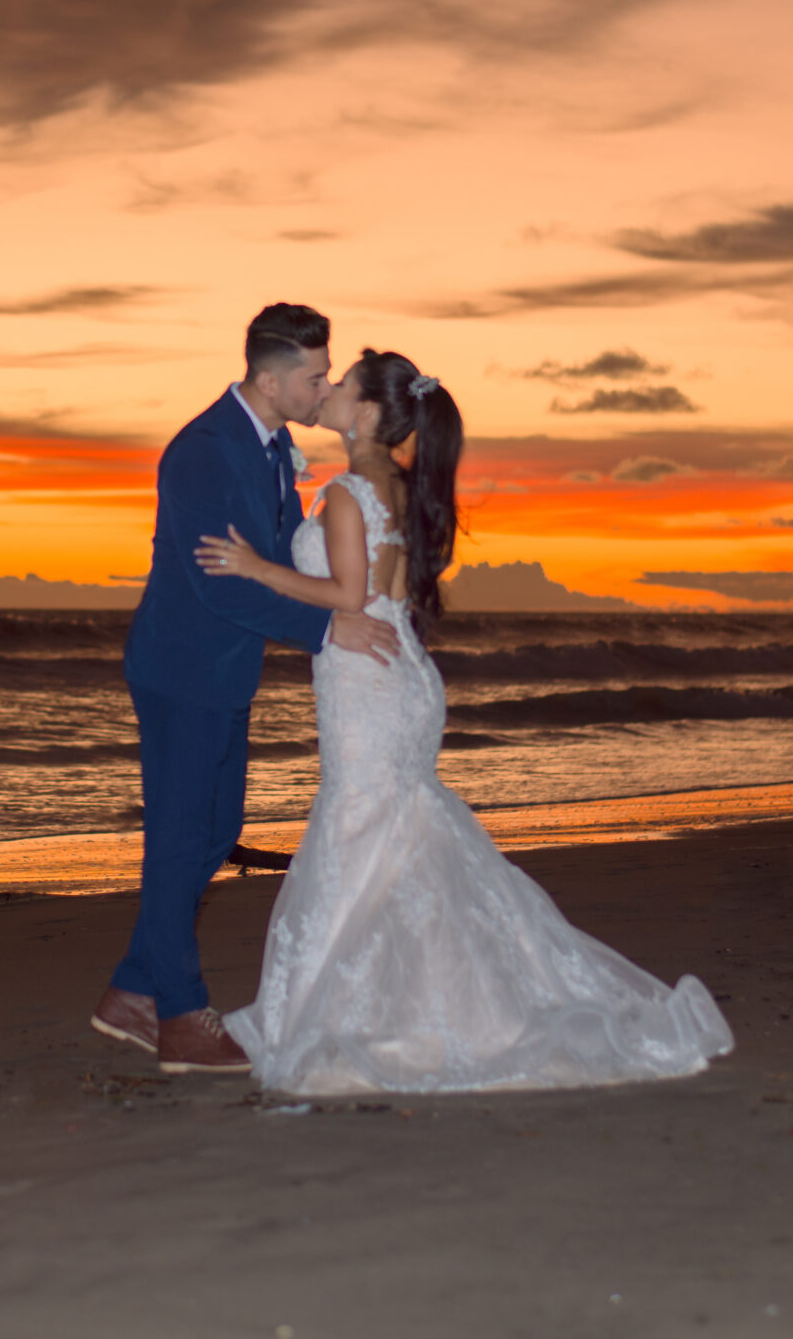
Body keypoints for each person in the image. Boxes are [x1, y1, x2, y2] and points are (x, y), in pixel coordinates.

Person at [195, 348, 734, 1093]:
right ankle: (415, 1005)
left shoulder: (350, 492)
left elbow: (348, 595)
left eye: (344, 383)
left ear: (369, 413)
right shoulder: (394, 485)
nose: (331, 389)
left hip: (368, 682)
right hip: (399, 675)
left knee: (362, 831)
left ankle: (351, 1012)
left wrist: (254, 567)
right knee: (395, 837)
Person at [93, 304, 401, 1075]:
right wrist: (328, 628)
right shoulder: (203, 451)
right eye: (314, 376)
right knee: (179, 838)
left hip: (225, 672)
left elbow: (272, 560)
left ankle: (132, 987)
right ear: (269, 379)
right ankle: (179, 1015)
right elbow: (219, 585)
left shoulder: (270, 447)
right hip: (180, 671)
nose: (323, 387)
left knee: (214, 829)